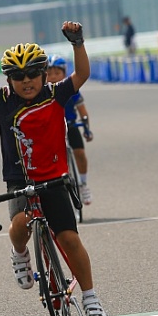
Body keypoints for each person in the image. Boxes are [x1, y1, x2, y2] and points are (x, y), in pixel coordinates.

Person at [0, 21, 106, 316]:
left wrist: (77, 44)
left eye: (31, 75)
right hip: (20, 181)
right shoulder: (3, 100)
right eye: (17, 77)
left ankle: (91, 297)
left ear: (43, 73)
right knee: (19, 224)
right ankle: (20, 254)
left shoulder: (56, 93)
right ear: (9, 80)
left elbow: (82, 75)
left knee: (69, 238)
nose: (26, 82)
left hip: (54, 178)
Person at [46, 54, 93, 205]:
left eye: (57, 73)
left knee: (79, 152)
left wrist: (87, 129)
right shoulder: (43, 93)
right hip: (51, 129)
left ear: (64, 74)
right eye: (49, 73)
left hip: (70, 124)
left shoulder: (72, 89)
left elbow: (83, 112)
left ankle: (83, 183)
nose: (53, 77)